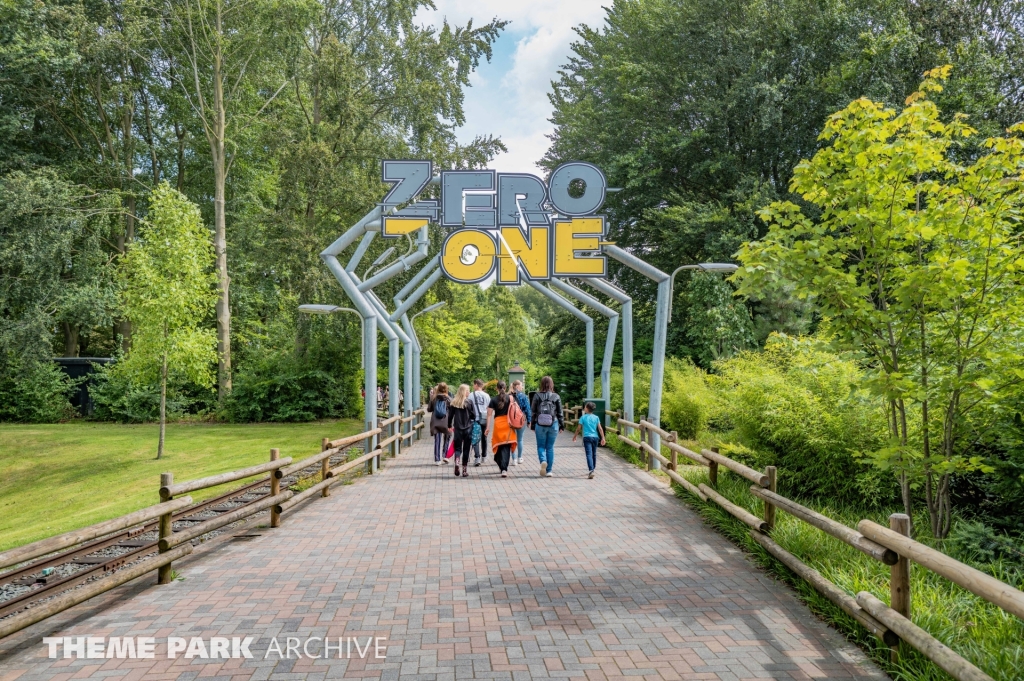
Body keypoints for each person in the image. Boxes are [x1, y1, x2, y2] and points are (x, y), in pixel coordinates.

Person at [530, 376, 564, 477]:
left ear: (541, 384)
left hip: (540, 424)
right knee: (550, 447)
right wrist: (561, 425)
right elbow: (560, 412)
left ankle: (543, 460)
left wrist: (532, 425)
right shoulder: (556, 396)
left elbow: (533, 412)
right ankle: (549, 471)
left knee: (541, 446)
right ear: (551, 384)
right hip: (553, 423)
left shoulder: (536, 396)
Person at [486, 381, 517, 477]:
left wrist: (487, 428)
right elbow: (516, 411)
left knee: (499, 445)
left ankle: (501, 465)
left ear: (497, 388)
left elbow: (489, 415)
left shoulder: (493, 399)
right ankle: (504, 468)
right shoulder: (511, 398)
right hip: (508, 424)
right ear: (506, 387)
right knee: (506, 446)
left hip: (498, 424)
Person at [448, 384, 478, 477]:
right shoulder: (469, 402)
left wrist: (449, 425)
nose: (469, 392)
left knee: (458, 448)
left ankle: (457, 462)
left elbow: (450, 416)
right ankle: (464, 470)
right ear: (464, 392)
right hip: (468, 428)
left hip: (457, 429)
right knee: (466, 449)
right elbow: (474, 415)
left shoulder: (454, 403)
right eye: (468, 390)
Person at [573, 401, 606, 478]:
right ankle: (593, 469)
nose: (584, 408)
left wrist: (575, 436)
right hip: (595, 437)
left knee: (588, 454)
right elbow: (600, 429)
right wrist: (603, 438)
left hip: (587, 437)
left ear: (587, 408)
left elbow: (578, 429)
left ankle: (591, 470)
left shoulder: (583, 417)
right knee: (594, 454)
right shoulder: (596, 417)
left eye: (585, 407)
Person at [427, 383, 451, 465]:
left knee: (437, 440)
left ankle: (437, 459)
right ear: (446, 389)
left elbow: (429, 409)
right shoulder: (448, 399)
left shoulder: (434, 398)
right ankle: (445, 455)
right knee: (447, 437)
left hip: (435, 421)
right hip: (446, 421)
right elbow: (452, 410)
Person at [510, 380, 532, 466]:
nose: (522, 387)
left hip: (511, 420)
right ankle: (519, 458)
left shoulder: (509, 396)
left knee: (512, 439)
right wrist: (529, 421)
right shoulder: (523, 396)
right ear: (517, 386)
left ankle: (514, 459)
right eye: (521, 385)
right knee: (520, 439)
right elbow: (527, 409)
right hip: (521, 420)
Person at [470, 379, 490, 466]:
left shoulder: (471, 395)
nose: (473, 386)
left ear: (476, 385)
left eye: (474, 385)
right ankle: (484, 456)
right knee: (484, 438)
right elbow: (489, 408)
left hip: (475, 419)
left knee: (475, 438)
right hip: (484, 419)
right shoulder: (486, 395)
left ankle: (477, 457)